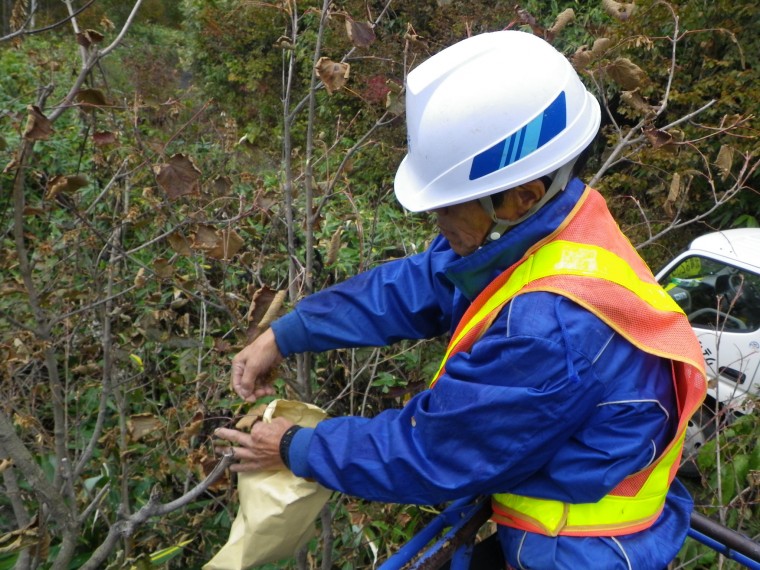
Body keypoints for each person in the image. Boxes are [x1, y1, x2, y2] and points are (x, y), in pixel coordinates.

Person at [215, 30, 706, 569]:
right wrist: (287, 333)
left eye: (450, 207)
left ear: (523, 195)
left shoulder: (552, 330)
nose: (437, 220)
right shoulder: (553, 224)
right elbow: (420, 283)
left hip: (576, 553)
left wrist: (294, 447)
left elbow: (435, 451)